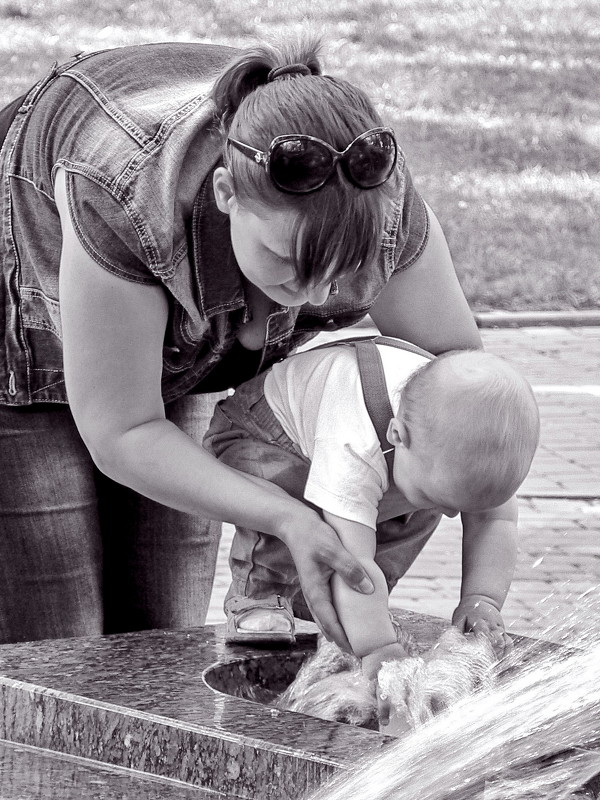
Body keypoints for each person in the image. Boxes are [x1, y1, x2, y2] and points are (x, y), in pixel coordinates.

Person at [0, 36, 482, 646]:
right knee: (59, 641)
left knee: (160, 633)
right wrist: (287, 516)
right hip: (21, 323)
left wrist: (479, 578)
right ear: (228, 194)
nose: (314, 294)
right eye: (287, 259)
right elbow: (121, 433)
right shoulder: (127, 194)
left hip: (179, 317)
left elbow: (461, 397)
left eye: (339, 267)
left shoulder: (378, 202)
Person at [204, 338, 540, 674]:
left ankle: (344, 609)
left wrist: (481, 600)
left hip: (365, 455)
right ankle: (261, 595)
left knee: (417, 506)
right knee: (299, 504)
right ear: (397, 435)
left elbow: (495, 522)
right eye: (445, 504)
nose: (452, 515)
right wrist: (379, 650)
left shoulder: (449, 444)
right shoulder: (354, 442)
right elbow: (353, 562)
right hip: (257, 434)